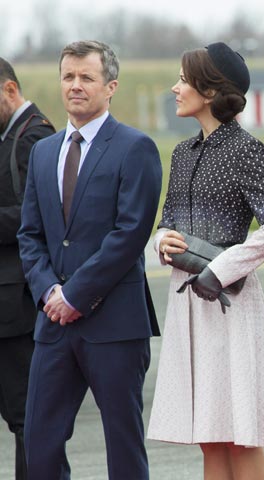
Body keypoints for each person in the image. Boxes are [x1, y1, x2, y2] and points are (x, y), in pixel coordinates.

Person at [16, 40, 162, 479]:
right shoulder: (44, 151)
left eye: (87, 78)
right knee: (38, 443)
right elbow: (31, 234)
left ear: (110, 86)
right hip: (54, 323)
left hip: (113, 324)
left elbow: (130, 234)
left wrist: (76, 294)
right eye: (68, 77)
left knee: (123, 446)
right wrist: (49, 293)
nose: (75, 86)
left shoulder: (135, 148)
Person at [147, 42, 264, 479]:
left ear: (209, 91)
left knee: (240, 436)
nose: (174, 88)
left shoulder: (244, 149)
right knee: (209, 437)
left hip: (230, 302)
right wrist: (161, 239)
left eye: (183, 79)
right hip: (187, 303)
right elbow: (168, 220)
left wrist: (221, 268)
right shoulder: (181, 152)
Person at [0, 57, 56, 480]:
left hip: (17, 307)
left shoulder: (35, 136)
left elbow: (35, 216)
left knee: (27, 419)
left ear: (9, 90)